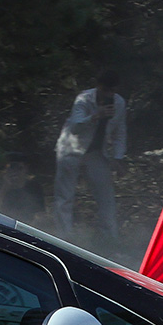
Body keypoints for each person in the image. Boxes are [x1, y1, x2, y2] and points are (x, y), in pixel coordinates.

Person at [54, 70, 127, 239]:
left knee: (106, 196)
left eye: (113, 90)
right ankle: (64, 237)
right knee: (65, 196)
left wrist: (118, 157)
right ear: (99, 86)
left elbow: (120, 132)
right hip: (71, 149)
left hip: (96, 153)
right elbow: (75, 127)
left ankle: (109, 237)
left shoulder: (119, 103)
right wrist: (95, 116)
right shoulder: (84, 99)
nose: (109, 94)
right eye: (106, 90)